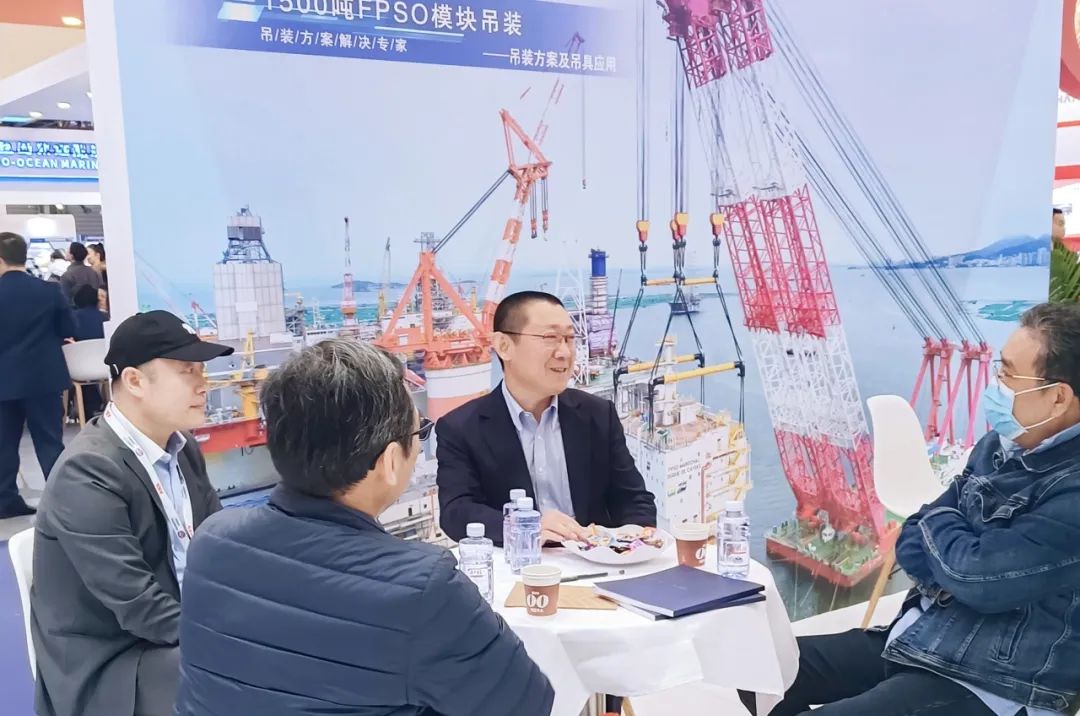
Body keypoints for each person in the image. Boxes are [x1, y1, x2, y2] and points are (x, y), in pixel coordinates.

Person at [173, 339, 554, 716]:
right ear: (389, 461)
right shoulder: (424, 588)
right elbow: (528, 703)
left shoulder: (212, 543)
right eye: (419, 433)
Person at [741, 302, 1080, 716]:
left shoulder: (1072, 491)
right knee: (760, 668)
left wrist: (944, 529)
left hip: (993, 680)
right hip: (926, 636)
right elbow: (912, 544)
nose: (996, 385)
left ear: (1058, 397)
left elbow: (976, 578)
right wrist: (955, 546)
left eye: (1008, 374)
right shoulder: (1000, 446)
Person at [31, 310, 231, 716]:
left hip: (175, 633)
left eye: (201, 370)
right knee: (246, 673)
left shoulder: (183, 449)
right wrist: (229, 637)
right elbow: (139, 606)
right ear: (135, 381)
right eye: (187, 371)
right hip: (114, 663)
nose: (202, 384)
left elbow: (221, 548)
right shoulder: (87, 472)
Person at [436, 290, 657, 545]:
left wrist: (633, 542)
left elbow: (634, 499)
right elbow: (456, 512)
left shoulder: (597, 414)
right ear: (504, 346)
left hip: (593, 560)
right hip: (520, 562)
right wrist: (526, 527)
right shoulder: (461, 428)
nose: (564, 352)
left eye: (569, 339)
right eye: (550, 338)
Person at [0, 232, 74, 518]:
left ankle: (6, 501)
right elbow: (68, 328)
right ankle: (63, 503)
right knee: (49, 441)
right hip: (43, 377)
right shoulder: (50, 291)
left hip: (4, 381)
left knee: (4, 443)